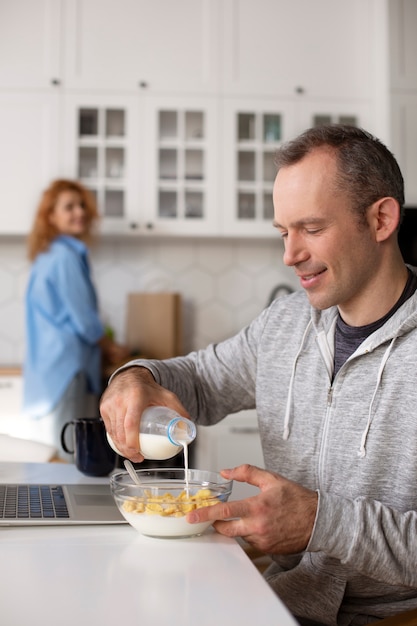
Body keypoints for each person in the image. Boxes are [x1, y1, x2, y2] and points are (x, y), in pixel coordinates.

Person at [99, 125, 417, 625]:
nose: (290, 254)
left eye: (311, 229)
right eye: (283, 232)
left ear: (380, 219)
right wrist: (134, 377)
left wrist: (320, 522)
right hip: (282, 599)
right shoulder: (284, 323)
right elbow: (198, 380)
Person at [23, 179, 129, 460]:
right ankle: (63, 505)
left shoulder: (46, 256)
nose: (79, 212)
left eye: (82, 205)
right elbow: (84, 320)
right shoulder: (66, 257)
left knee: (54, 453)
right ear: (50, 216)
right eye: (69, 207)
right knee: (71, 452)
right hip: (67, 366)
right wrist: (110, 347)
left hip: (48, 369)